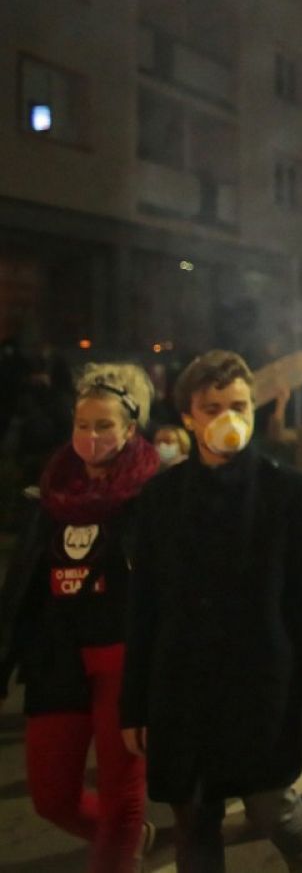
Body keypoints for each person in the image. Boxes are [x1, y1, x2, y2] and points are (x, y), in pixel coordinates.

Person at [119, 351, 302, 873]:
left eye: (239, 404)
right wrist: (134, 705)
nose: (228, 417)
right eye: (213, 406)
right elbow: (144, 605)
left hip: (261, 686)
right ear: (189, 417)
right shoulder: (162, 497)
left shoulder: (287, 490)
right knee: (195, 823)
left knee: (274, 809)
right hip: (183, 690)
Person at [0, 364, 159, 873]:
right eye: (82, 424)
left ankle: (119, 846)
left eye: (105, 425)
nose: (91, 437)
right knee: (51, 798)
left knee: (122, 796)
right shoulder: (48, 496)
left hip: (125, 662)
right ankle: (126, 837)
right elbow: (21, 586)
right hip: (57, 660)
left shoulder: (156, 497)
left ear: (131, 428)